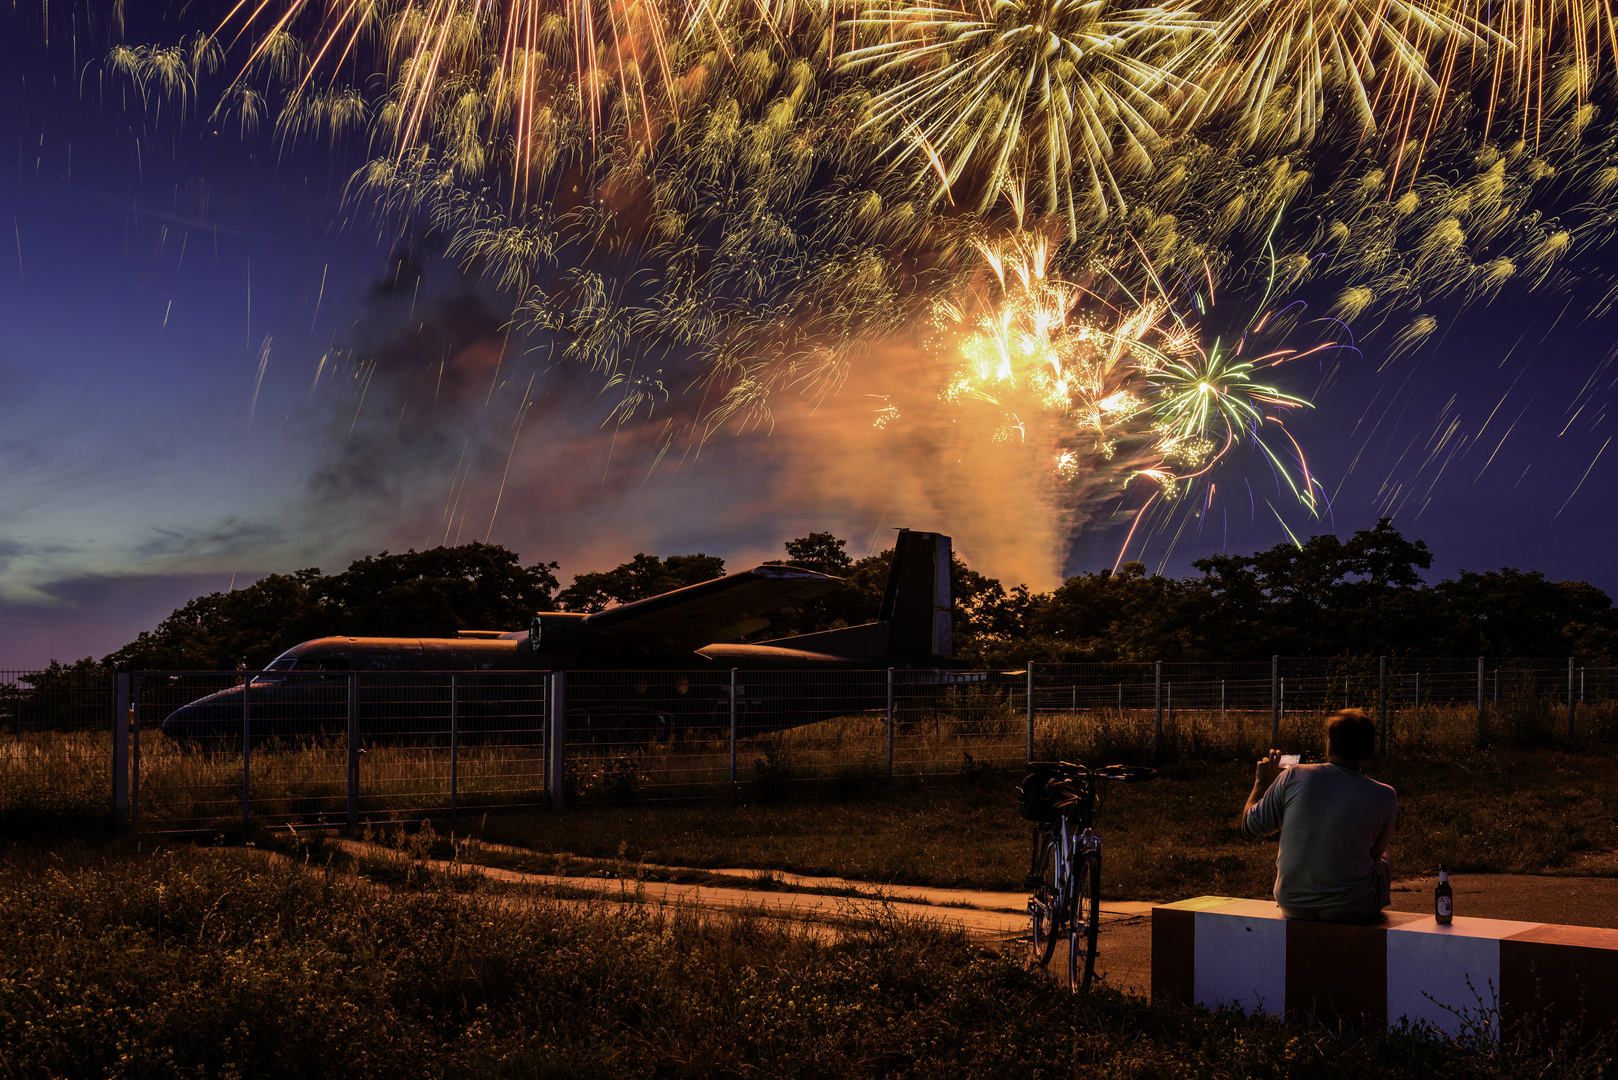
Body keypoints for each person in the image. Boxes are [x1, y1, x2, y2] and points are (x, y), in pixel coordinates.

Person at [1241, 709, 1398, 922]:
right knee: (1384, 852)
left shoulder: (1293, 776)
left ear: (1329, 745)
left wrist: (1262, 780)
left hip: (1293, 905)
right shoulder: (1385, 795)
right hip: (1353, 907)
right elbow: (1375, 854)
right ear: (1370, 750)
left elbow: (1249, 827)